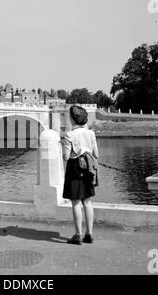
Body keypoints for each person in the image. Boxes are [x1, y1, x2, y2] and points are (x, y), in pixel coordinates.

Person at [61, 105, 99, 245]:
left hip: (75, 167)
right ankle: (89, 234)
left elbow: (66, 157)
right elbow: (96, 154)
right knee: (87, 201)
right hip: (88, 168)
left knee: (76, 202)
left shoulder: (69, 135)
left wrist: (64, 147)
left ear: (72, 119)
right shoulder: (91, 133)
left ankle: (78, 235)